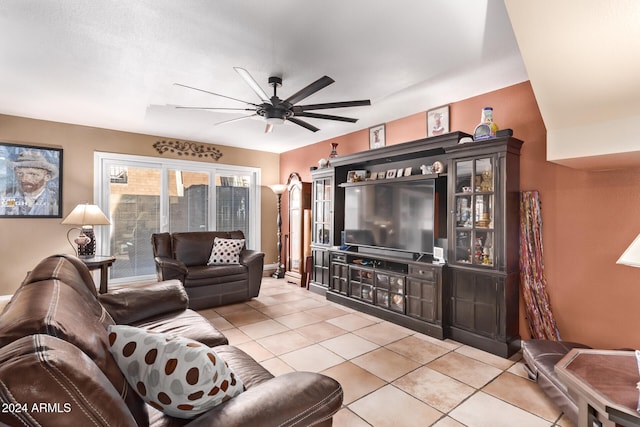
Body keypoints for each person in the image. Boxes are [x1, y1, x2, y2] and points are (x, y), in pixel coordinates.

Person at [0, 150, 59, 216]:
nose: (23, 179)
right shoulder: (4, 196)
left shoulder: (55, 199)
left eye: (32, 174)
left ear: (47, 177)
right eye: (20, 173)